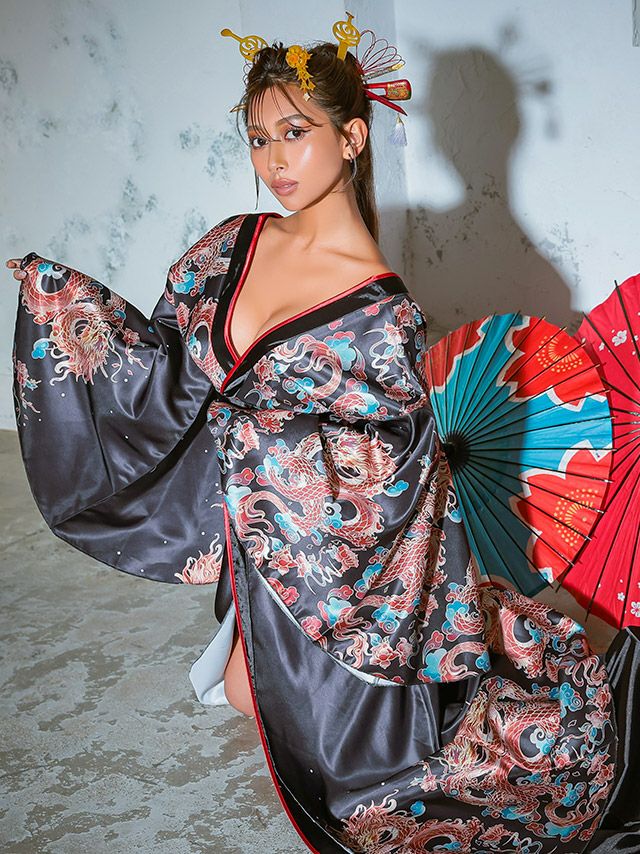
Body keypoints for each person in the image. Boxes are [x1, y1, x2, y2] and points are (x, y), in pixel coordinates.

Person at [6, 16, 639, 854]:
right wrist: (68, 307)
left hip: (335, 579)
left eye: (295, 133)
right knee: (244, 693)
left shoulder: (379, 308)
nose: (274, 160)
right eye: (259, 138)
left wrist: (258, 438)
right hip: (257, 553)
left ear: (351, 138)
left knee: (315, 753)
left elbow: (388, 483)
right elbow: (163, 372)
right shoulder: (235, 242)